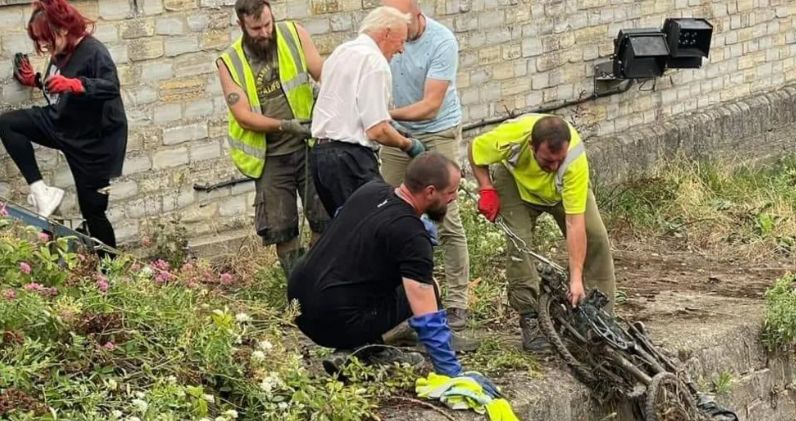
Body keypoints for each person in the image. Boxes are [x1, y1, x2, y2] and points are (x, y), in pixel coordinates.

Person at [287, 152, 495, 392]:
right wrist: (452, 372)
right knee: (430, 288)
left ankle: (361, 345)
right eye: (450, 192)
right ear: (430, 192)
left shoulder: (370, 190)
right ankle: (367, 349)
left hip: (297, 303)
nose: (454, 198)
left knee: (383, 279)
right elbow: (425, 309)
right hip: (333, 321)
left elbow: (343, 218)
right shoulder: (411, 234)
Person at [468, 114, 617, 352]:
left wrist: (576, 279)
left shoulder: (574, 160)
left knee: (596, 237)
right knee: (520, 244)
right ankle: (530, 318)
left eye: (559, 160)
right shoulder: (511, 138)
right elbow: (476, 151)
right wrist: (486, 188)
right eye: (547, 161)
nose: (554, 167)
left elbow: (574, 223)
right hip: (516, 186)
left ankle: (601, 318)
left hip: (558, 193)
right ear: (531, 147)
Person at [0, 0, 126, 255]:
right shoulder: (61, 52)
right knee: (8, 124)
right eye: (38, 40)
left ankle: (110, 275)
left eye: (46, 38)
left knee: (94, 212)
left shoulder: (94, 51)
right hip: (63, 123)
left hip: (94, 143)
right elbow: (57, 87)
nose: (43, 45)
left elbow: (110, 87)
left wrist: (75, 85)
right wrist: (35, 81)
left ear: (63, 29)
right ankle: (41, 192)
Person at [216, 0, 328, 276]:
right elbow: (242, 115)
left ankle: (321, 279)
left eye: (268, 24)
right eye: (256, 28)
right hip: (270, 159)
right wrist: (285, 126)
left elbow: (323, 72)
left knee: (324, 219)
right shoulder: (229, 62)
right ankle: (298, 287)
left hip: (309, 147)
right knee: (281, 229)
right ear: (241, 25)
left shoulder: (294, 34)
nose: (265, 32)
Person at [378, 0, 471, 330]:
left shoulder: (442, 41)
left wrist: (384, 115)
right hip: (398, 135)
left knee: (445, 217)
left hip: (437, 132)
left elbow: (431, 106)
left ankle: (458, 302)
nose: (398, 37)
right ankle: (396, 296)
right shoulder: (383, 37)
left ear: (417, 14)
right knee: (388, 209)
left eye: (402, 26)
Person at [309, 6, 426, 216]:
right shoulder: (375, 62)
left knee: (343, 229)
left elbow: (348, 108)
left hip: (320, 157)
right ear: (386, 33)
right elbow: (377, 130)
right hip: (350, 160)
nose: (401, 50)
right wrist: (408, 144)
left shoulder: (341, 52)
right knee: (373, 224)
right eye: (401, 41)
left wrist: (392, 127)